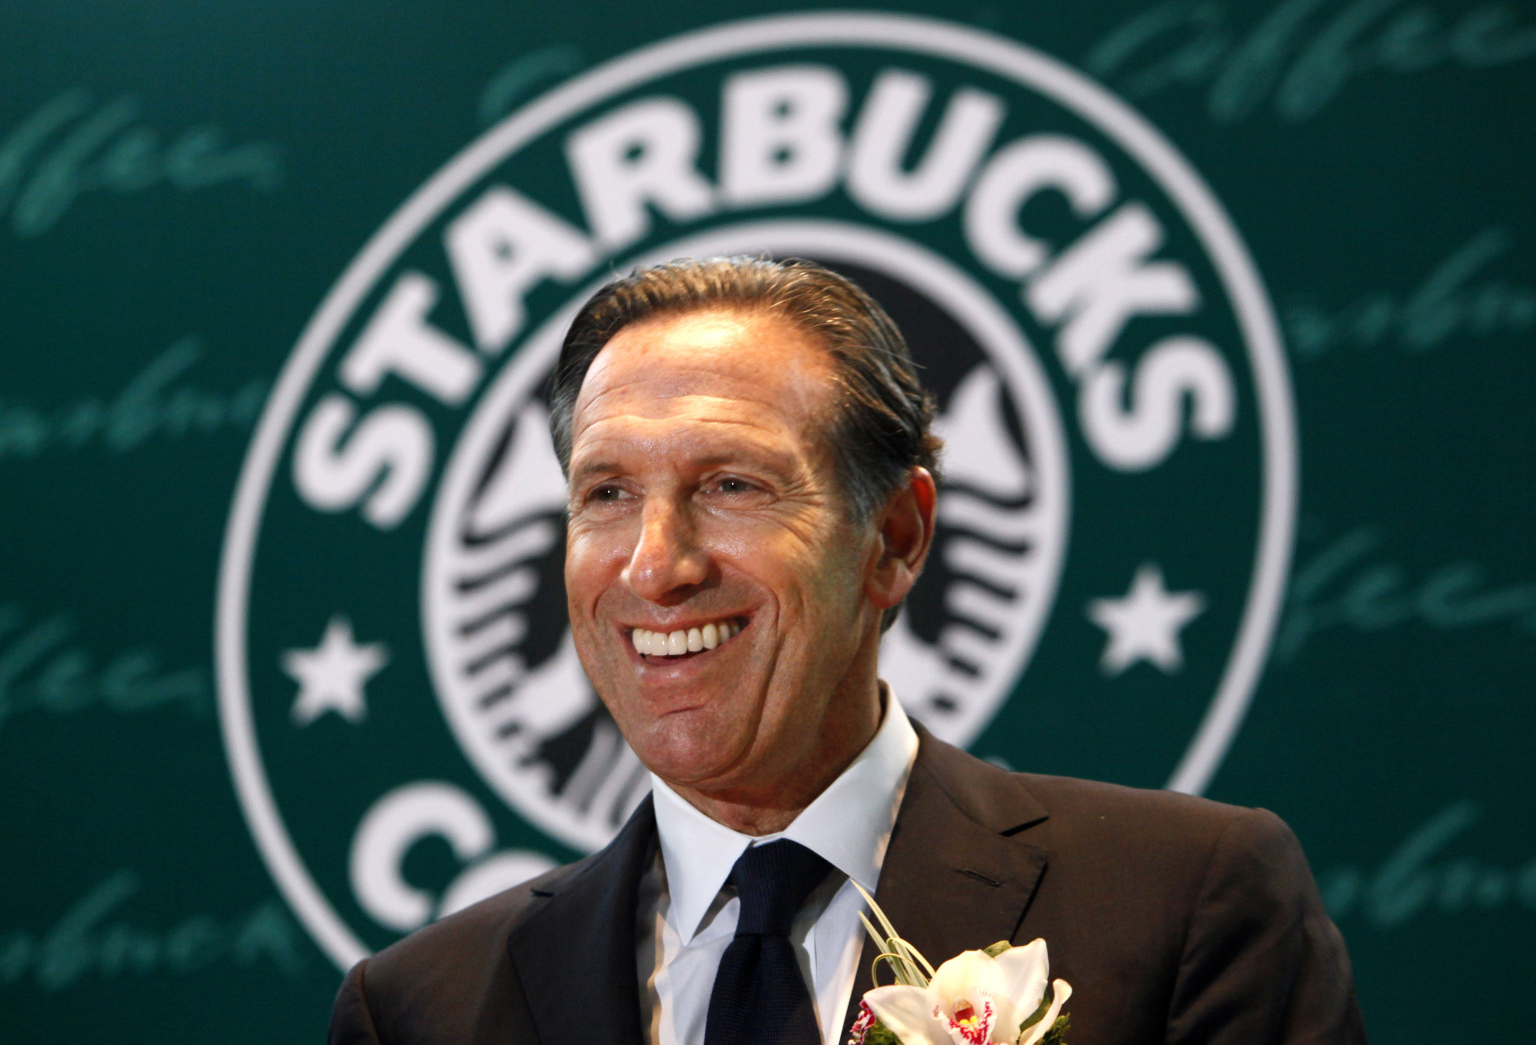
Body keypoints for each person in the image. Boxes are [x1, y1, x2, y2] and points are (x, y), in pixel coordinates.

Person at [329, 257, 1367, 1045]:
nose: (655, 567)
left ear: (896, 540)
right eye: (607, 494)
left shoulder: (1188, 905)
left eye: (733, 485)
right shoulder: (422, 1008)